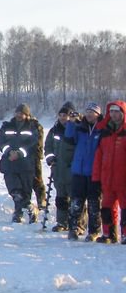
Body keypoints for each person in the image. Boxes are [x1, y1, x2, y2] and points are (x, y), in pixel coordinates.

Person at [65, 103, 103, 240]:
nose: (89, 114)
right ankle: (73, 228)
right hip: (78, 171)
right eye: (87, 112)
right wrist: (71, 123)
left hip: (94, 172)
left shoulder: (101, 129)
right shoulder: (80, 127)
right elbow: (69, 138)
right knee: (76, 202)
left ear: (97, 114)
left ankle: (93, 231)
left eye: (92, 112)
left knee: (94, 204)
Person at [0, 103, 40, 223]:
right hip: (9, 163)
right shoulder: (7, 126)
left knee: (25, 192)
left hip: (26, 164)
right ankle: (23, 210)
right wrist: (9, 152)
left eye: (22, 113)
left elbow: (33, 144)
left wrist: (20, 153)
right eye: (17, 112)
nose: (19, 115)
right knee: (15, 190)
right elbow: (1, 142)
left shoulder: (32, 127)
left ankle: (24, 212)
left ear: (27, 115)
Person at [92, 101, 126, 243]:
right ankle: (109, 235)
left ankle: (125, 234)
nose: (113, 114)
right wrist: (96, 178)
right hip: (107, 179)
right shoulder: (105, 132)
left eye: (117, 112)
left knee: (125, 208)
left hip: (123, 179)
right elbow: (98, 157)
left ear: (123, 113)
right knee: (106, 207)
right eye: (111, 112)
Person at [44, 102, 78, 232]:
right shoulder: (54, 130)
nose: (63, 117)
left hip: (71, 169)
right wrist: (50, 159)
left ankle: (78, 223)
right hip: (58, 169)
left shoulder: (77, 128)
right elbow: (48, 147)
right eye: (61, 115)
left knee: (75, 199)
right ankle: (61, 222)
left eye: (66, 115)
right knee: (61, 198)